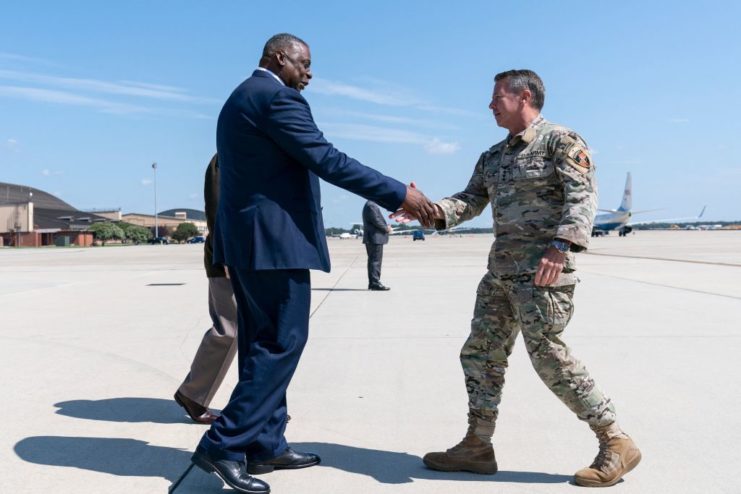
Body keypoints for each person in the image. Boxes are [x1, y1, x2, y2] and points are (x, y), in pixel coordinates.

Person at [190, 33, 436, 494]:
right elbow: (328, 159)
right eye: (304, 63)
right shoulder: (276, 98)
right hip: (273, 244)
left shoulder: (241, 95)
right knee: (283, 340)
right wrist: (399, 193)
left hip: (248, 243)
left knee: (263, 344)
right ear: (279, 58)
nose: (309, 73)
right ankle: (223, 445)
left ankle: (264, 442)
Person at [395, 69, 640, 488]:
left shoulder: (561, 141)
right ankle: (477, 444)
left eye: (496, 98)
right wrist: (427, 210)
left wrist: (560, 247)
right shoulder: (493, 156)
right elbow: (470, 200)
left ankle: (615, 440)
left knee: (549, 358)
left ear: (523, 96)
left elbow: (583, 199)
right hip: (500, 274)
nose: (490, 105)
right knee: (479, 355)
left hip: (543, 273)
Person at [174, 154, 236, 425]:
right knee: (229, 329)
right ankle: (193, 394)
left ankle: (258, 403)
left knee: (256, 333)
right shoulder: (225, 155)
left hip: (251, 257)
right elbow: (217, 205)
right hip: (228, 258)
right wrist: (224, 253)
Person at [362, 200, 392, 291]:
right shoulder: (371, 205)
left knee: (373, 261)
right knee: (375, 261)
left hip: (372, 238)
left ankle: (373, 283)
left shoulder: (369, 205)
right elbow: (376, 220)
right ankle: (375, 283)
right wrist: (387, 229)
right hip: (375, 238)